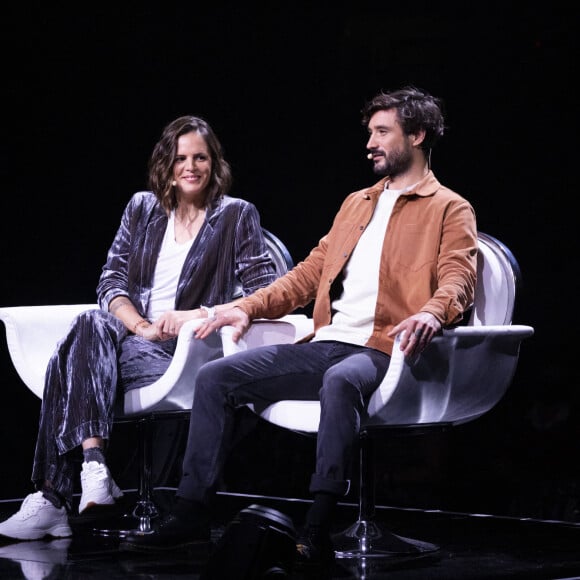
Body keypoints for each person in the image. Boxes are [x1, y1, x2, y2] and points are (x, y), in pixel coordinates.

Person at [120, 86, 479, 568]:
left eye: (381, 132)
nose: (369, 143)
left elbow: (460, 276)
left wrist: (433, 312)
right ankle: (191, 512)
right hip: (327, 340)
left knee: (341, 380)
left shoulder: (449, 208)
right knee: (215, 378)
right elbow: (309, 273)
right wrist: (244, 307)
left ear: (416, 135)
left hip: (384, 348)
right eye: (369, 132)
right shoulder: (357, 203)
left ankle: (317, 525)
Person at [0, 115, 279, 542]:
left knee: (66, 361)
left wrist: (195, 316)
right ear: (166, 165)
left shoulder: (235, 216)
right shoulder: (142, 207)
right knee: (92, 321)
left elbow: (264, 292)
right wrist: (141, 326)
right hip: (133, 338)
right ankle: (93, 467)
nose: (191, 167)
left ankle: (53, 496)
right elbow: (110, 282)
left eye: (200, 157)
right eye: (181, 158)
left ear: (214, 163)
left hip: (184, 350)